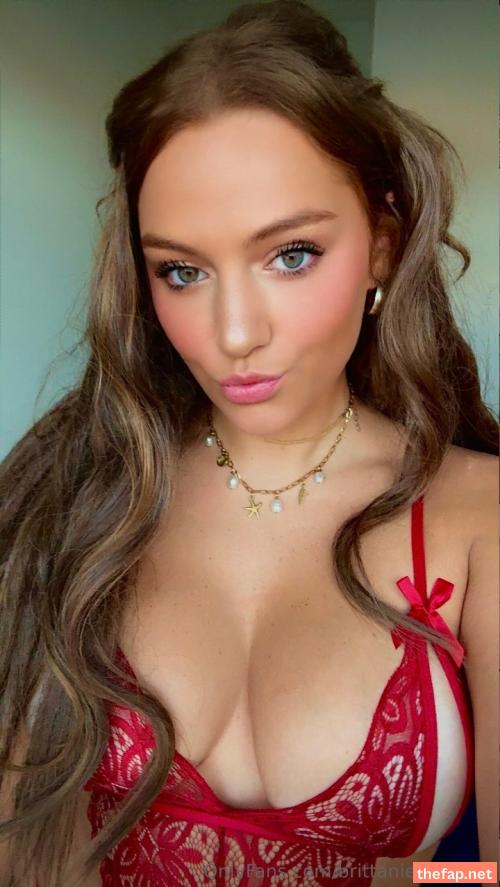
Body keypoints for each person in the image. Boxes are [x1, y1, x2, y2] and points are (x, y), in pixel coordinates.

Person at [0, 1, 498, 885]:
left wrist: (416, 880)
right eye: (182, 270)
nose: (233, 333)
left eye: (291, 254)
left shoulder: (478, 516)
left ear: (383, 245)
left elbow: (487, 873)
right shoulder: (74, 491)